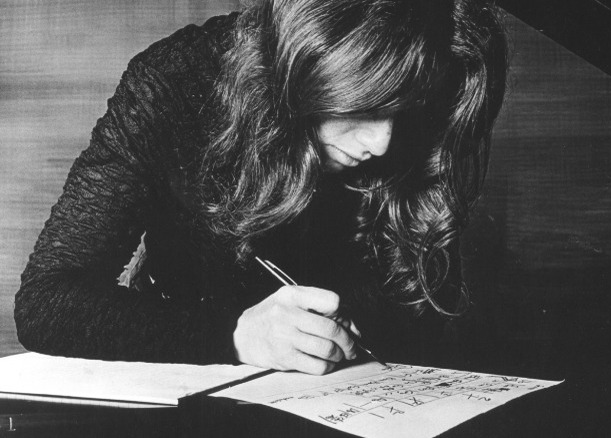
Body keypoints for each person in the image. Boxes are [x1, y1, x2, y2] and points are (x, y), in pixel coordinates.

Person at [14, 0, 507, 375]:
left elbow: (419, 315)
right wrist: (234, 336)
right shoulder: (174, 84)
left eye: (407, 111)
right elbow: (47, 302)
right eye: (363, 106)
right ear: (303, 71)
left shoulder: (440, 79)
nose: (382, 144)